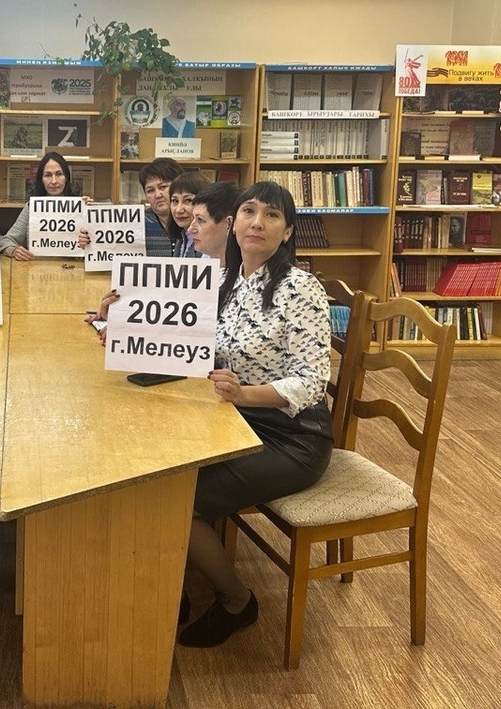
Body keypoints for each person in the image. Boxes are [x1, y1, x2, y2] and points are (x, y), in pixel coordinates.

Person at [179, 181, 333, 648]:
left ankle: (236, 602)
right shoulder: (229, 280)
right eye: (249, 211)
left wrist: (245, 394)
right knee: (160, 471)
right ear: (234, 223)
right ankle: (174, 578)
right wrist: (124, 327)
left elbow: (312, 381)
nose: (257, 222)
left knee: (181, 501)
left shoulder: (300, 288)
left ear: (287, 232)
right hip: (238, 419)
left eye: (272, 215)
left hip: (292, 436)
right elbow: (193, 341)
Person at [0, 152, 90, 261]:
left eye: (59, 174)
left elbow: (99, 247)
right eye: (47, 175)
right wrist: (13, 250)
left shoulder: (82, 206)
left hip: (72, 268)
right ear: (41, 179)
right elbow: (6, 241)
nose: (54, 181)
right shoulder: (32, 207)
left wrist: (90, 212)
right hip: (38, 268)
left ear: (66, 177)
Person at [187, 181, 239, 264]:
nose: (190, 229)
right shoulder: (203, 261)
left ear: (229, 224)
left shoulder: (247, 269)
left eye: (200, 220)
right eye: (193, 218)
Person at [140, 158, 183, 257]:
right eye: (150, 191)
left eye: (163, 187)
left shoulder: (194, 222)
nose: (158, 195)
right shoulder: (139, 223)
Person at [168, 171, 213, 259]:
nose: (179, 210)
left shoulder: (209, 244)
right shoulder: (182, 239)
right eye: (175, 201)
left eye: (188, 200)